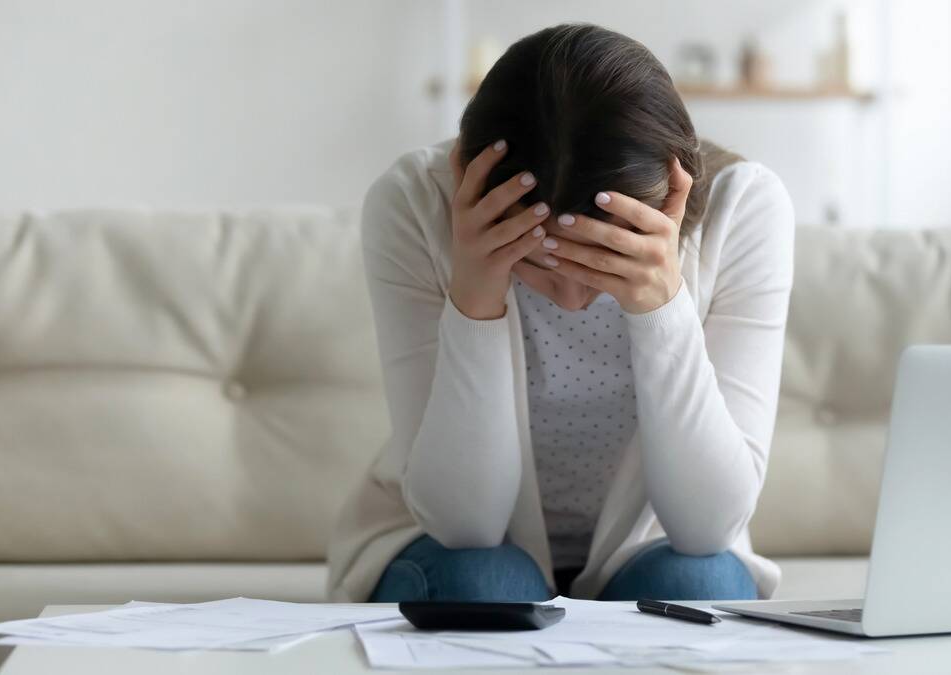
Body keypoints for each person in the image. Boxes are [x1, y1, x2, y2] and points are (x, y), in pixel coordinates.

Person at [327, 23, 795, 603]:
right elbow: (464, 525)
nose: (571, 298)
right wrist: (475, 299)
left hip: (657, 547)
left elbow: (707, 529)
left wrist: (661, 308)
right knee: (489, 583)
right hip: (447, 548)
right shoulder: (416, 205)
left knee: (700, 583)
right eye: (539, 264)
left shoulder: (743, 206)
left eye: (605, 262)